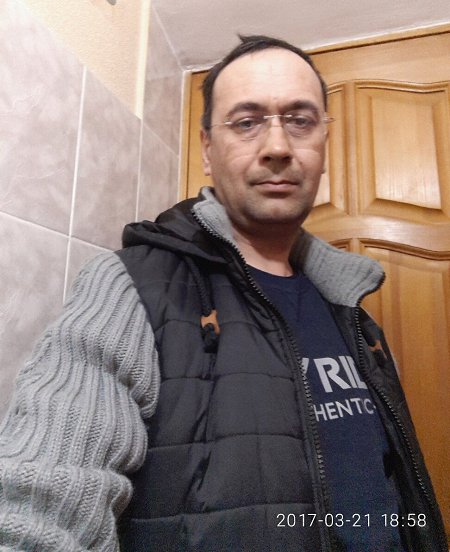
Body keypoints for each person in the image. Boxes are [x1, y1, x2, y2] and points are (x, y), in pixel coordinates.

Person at [0, 35, 446, 552]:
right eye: (247, 121)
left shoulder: (350, 305)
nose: (278, 147)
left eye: (300, 120)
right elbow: (44, 497)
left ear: (324, 145)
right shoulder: (130, 285)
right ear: (208, 150)